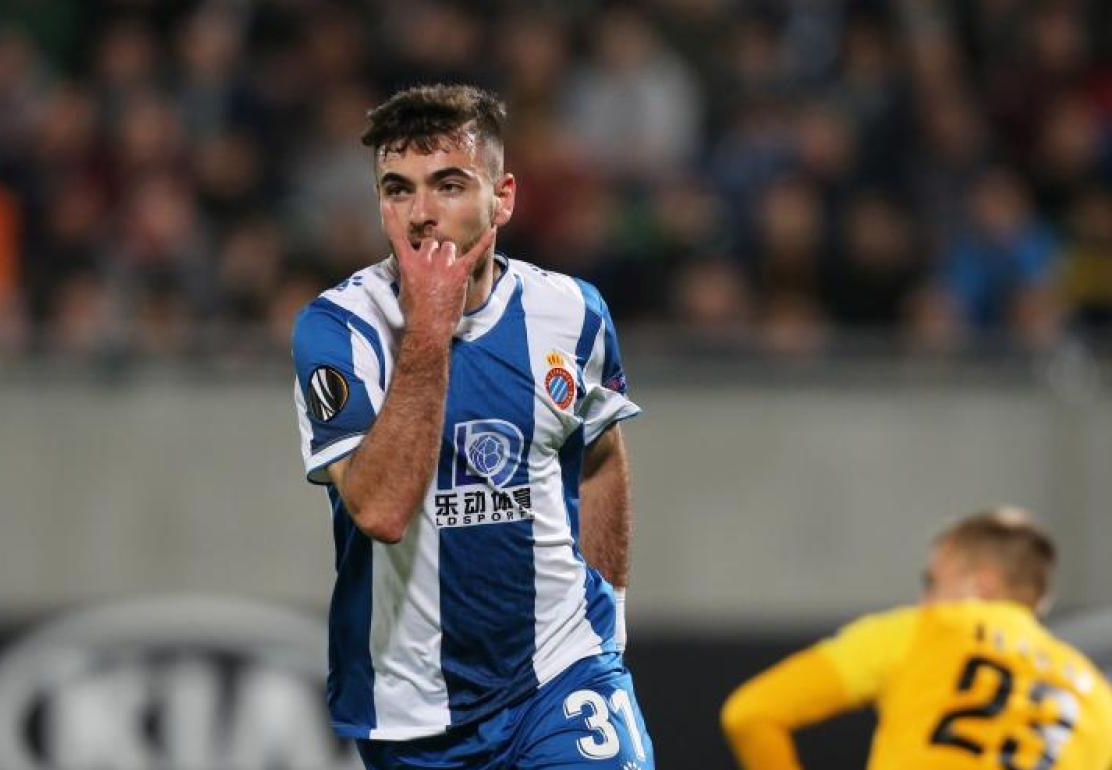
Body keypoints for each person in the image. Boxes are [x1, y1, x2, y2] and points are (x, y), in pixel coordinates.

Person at [290, 84, 654, 769]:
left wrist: (609, 622)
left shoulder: (573, 312)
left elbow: (601, 456)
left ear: (503, 196)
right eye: (397, 190)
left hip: (562, 674)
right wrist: (429, 326)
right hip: (414, 711)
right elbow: (380, 508)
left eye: (448, 185)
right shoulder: (340, 331)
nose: (422, 214)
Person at [722, 507, 1112, 770]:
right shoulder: (1096, 696)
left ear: (983, 583)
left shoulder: (922, 630)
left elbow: (750, 713)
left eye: (932, 582)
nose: (923, 600)